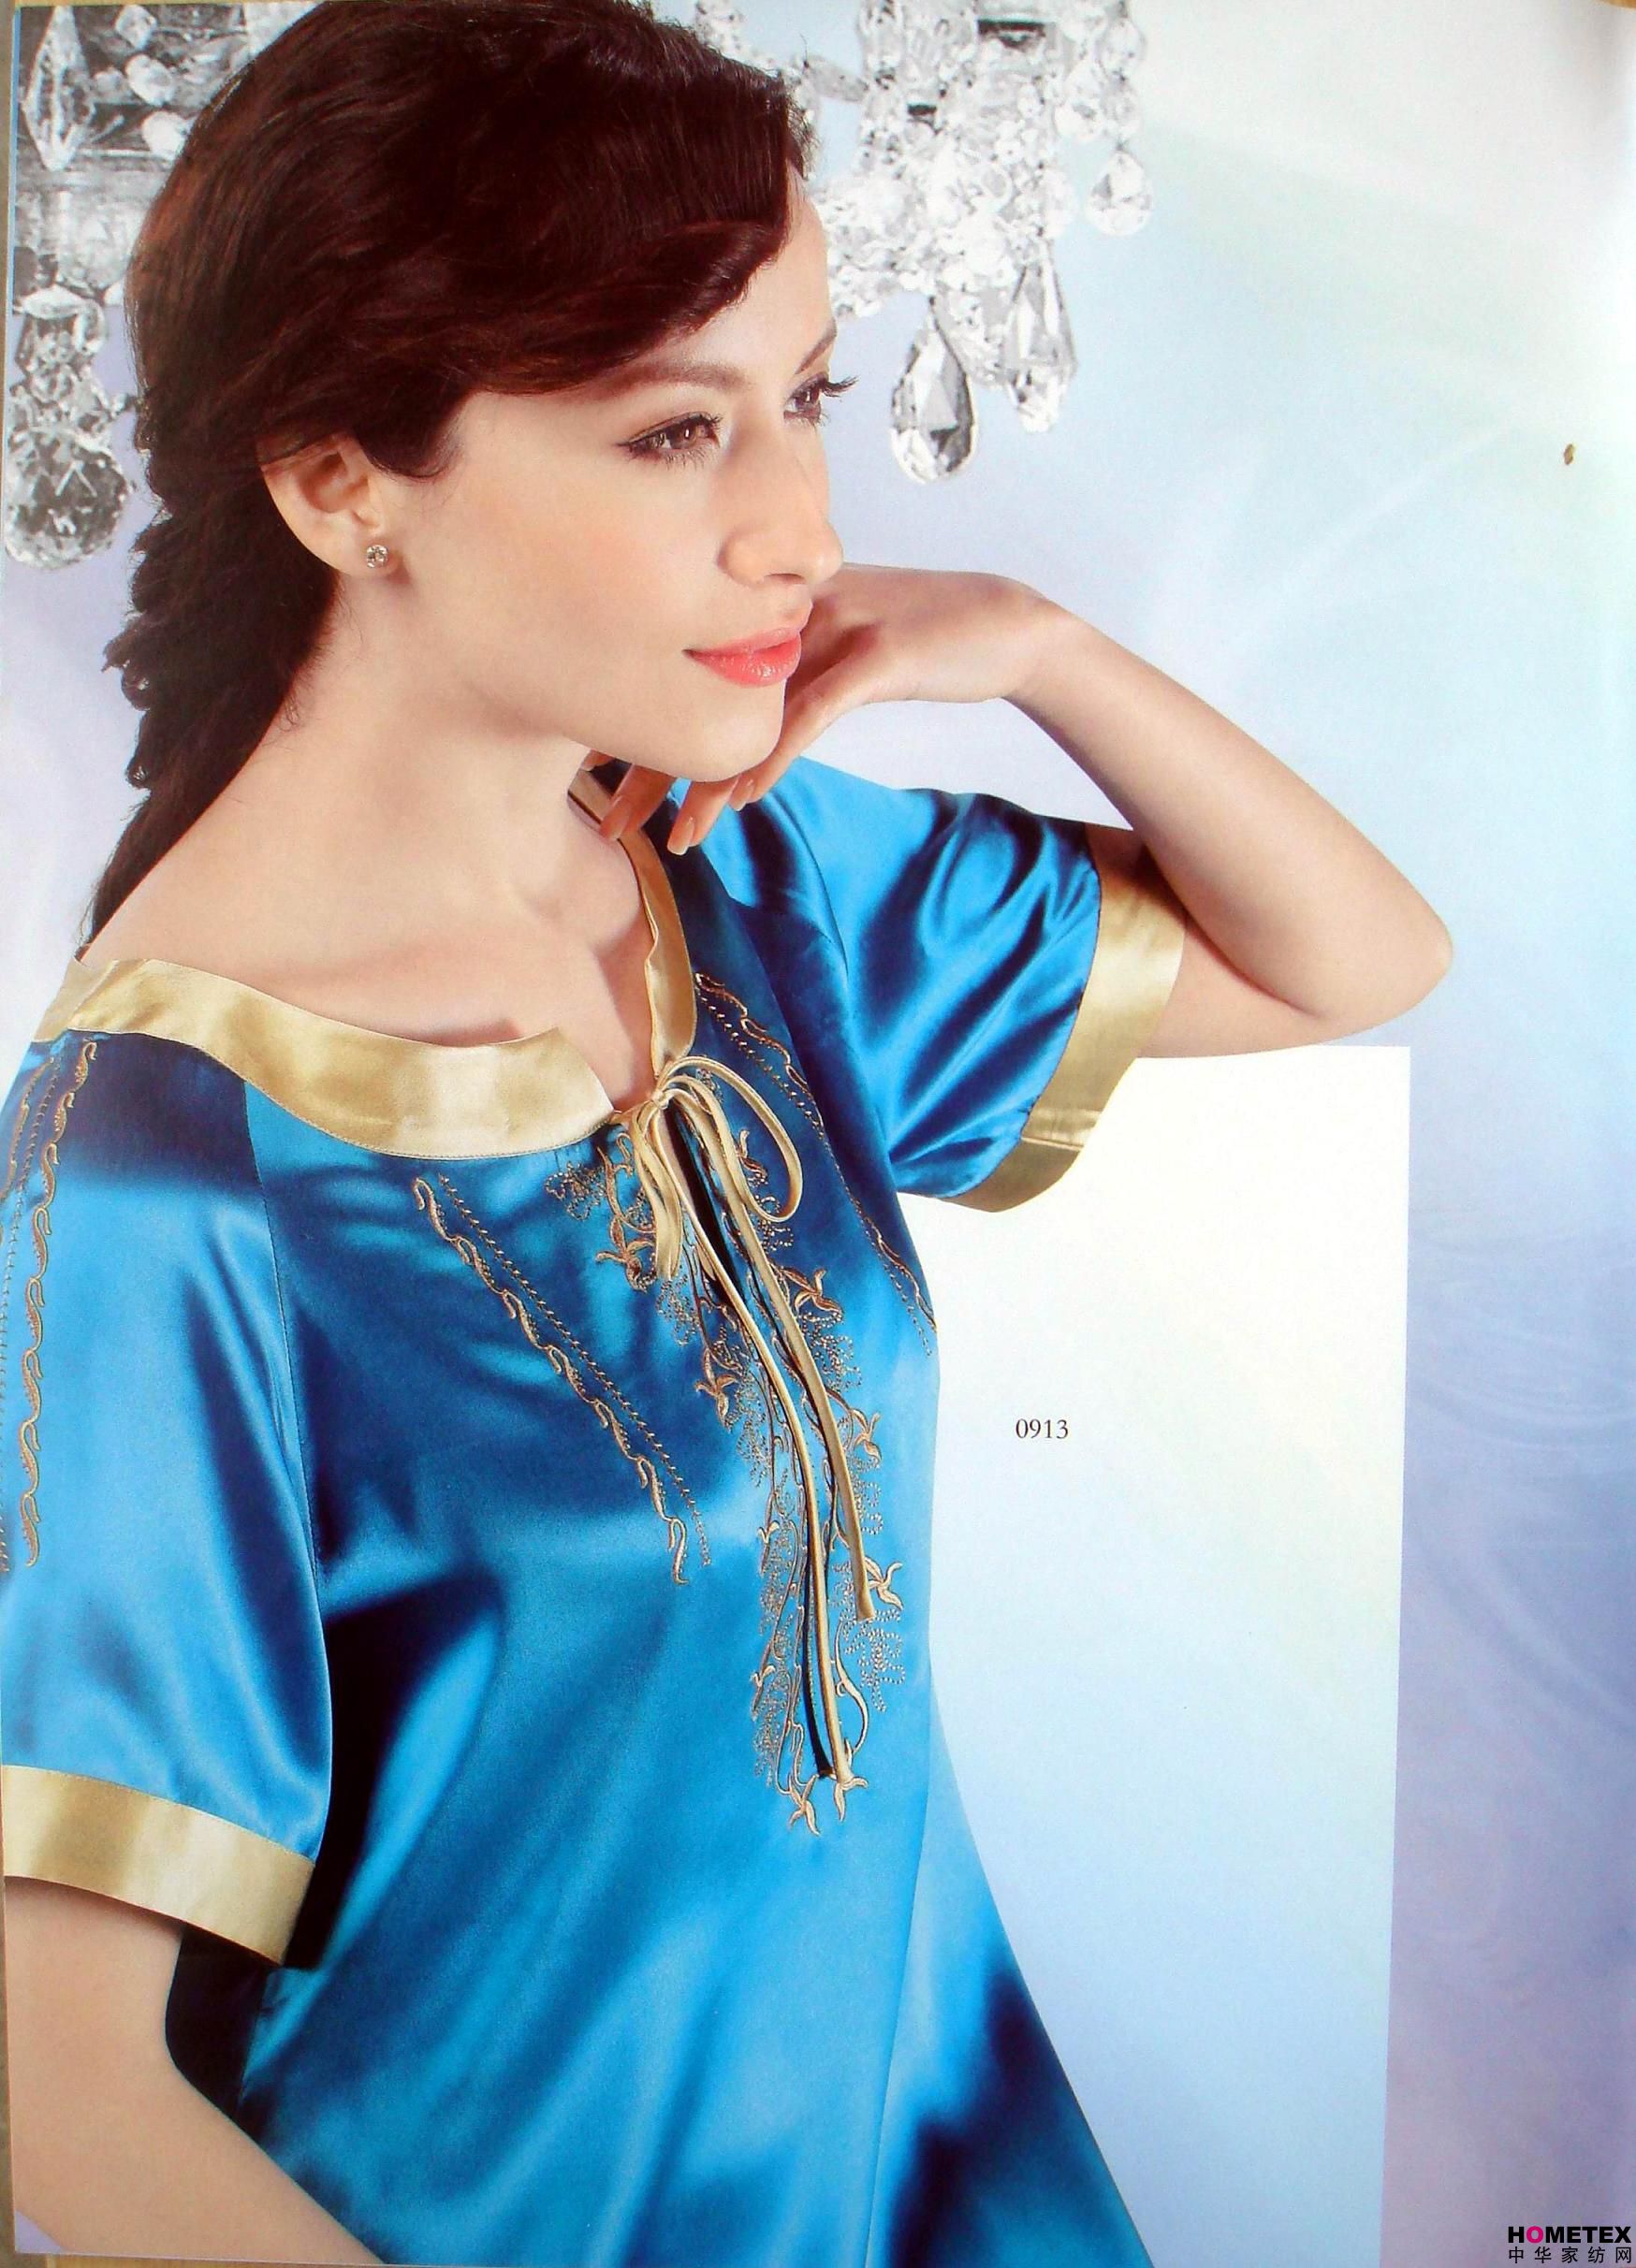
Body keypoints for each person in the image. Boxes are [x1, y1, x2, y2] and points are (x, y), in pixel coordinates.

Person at [0, 2, 1453, 2261]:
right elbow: (63, 2109)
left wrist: (1035, 646)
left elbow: (1356, 958)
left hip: (948, 2187)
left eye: (808, 399)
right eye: (678, 429)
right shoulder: (159, 1171)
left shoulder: (745, 885)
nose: (802, 527)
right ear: (341, 481)